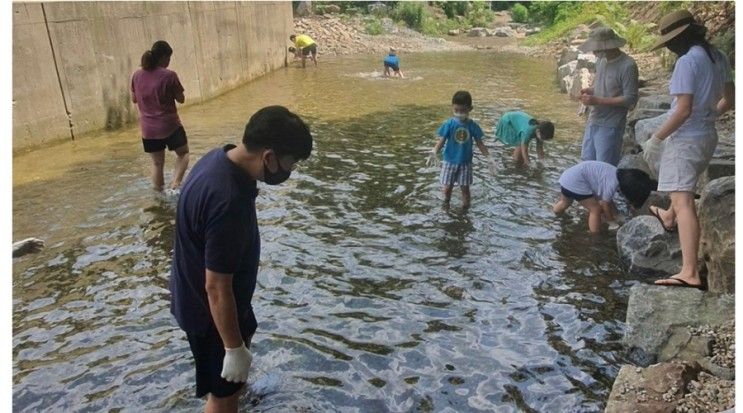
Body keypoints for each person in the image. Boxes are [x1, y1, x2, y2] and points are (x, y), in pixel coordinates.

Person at [169, 106, 313, 413]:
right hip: (209, 314)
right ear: (269, 157)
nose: (291, 170)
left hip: (211, 300)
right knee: (222, 396)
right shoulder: (228, 199)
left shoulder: (218, 158)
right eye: (291, 163)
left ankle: (239, 397)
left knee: (234, 377)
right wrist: (232, 348)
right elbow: (216, 287)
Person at [644, 10, 734, 290]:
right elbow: (730, 98)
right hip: (707, 135)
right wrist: (708, 116)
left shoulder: (687, 62)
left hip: (686, 139)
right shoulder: (718, 56)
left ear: (678, 39)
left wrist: (656, 138)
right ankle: (668, 216)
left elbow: (682, 111)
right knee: (683, 187)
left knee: (684, 203)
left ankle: (689, 271)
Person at [131, 40, 189, 192]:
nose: (169, 62)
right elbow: (181, 99)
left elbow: (134, 99)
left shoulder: (137, 75)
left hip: (148, 130)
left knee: (157, 164)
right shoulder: (169, 76)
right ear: (163, 57)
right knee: (183, 154)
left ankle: (158, 194)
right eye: (168, 58)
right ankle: (175, 186)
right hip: (170, 126)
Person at [578, 27, 639, 166]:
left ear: (609, 46)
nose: (594, 52)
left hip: (611, 125)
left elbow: (630, 98)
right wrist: (589, 91)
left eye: (597, 48)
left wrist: (598, 100)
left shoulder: (627, 65)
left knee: (604, 167)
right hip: (594, 119)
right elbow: (604, 86)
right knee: (586, 163)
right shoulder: (601, 61)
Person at [426, 91, 497, 209]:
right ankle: (446, 205)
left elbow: (480, 144)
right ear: (452, 108)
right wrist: (434, 151)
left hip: (465, 163)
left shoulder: (473, 126)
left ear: (470, 109)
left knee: (465, 188)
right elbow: (442, 140)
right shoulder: (449, 124)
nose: (459, 113)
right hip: (449, 161)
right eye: (456, 110)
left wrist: (489, 158)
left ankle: (465, 210)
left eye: (462, 111)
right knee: (448, 187)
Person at [553, 161, 656, 233]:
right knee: (595, 209)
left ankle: (555, 214)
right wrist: (611, 222)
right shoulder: (612, 184)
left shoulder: (616, 173)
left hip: (567, 178)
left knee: (565, 203)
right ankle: (594, 234)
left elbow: (608, 199)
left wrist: (616, 214)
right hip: (577, 182)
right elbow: (605, 204)